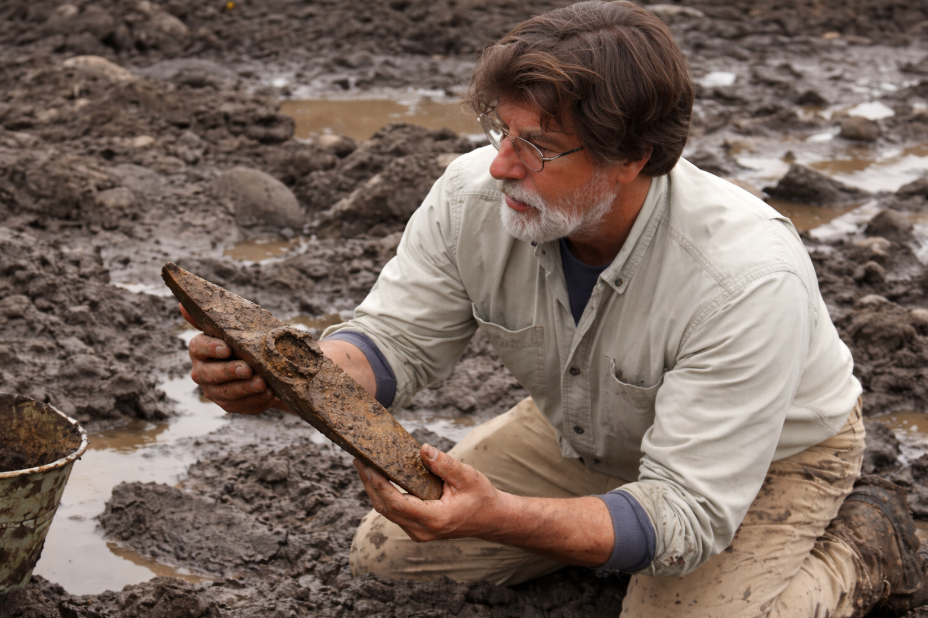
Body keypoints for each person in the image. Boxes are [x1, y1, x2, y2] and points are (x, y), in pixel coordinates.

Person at [183, 1, 928, 615]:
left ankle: (864, 549)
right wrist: (293, 377)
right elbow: (396, 341)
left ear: (631, 157)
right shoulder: (475, 196)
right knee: (390, 557)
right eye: (501, 131)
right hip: (591, 423)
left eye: (538, 146)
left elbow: (687, 512)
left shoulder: (744, 277)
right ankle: (600, 533)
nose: (501, 164)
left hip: (766, 460)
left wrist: (500, 516)